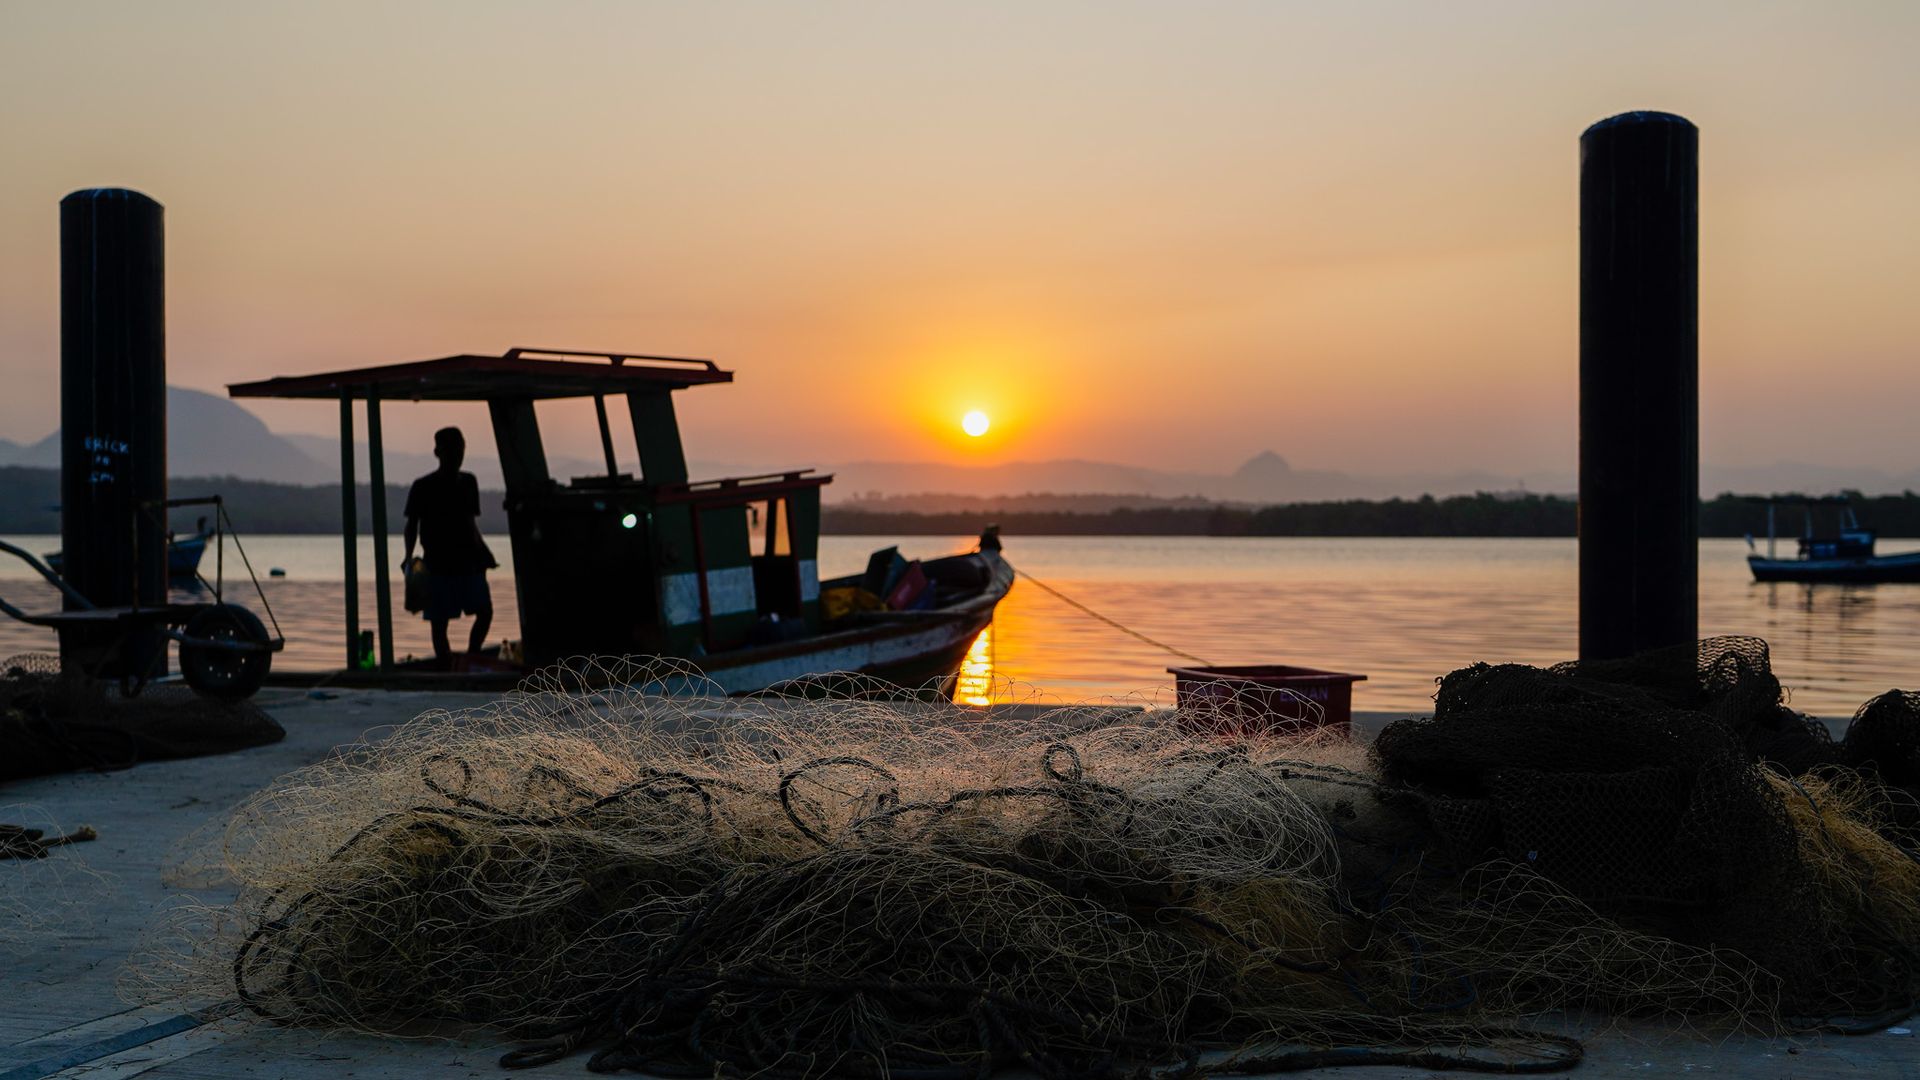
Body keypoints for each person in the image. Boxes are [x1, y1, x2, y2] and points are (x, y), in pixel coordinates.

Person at [402, 427, 497, 669]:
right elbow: (412, 525)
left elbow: (470, 523)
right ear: (438, 452)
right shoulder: (423, 486)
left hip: (469, 561)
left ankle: (472, 657)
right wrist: (408, 556)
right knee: (439, 621)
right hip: (438, 563)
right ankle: (446, 665)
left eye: (460, 449)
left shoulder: (468, 482)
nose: (457, 455)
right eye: (452, 450)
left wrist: (484, 553)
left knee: (484, 612)